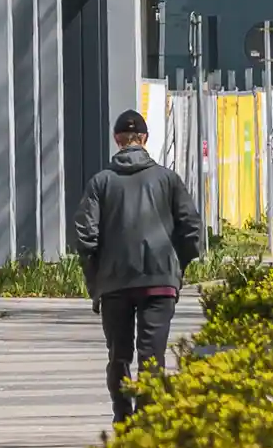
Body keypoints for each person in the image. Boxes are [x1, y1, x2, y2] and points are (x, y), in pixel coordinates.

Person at [72, 107, 205, 421]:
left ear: (117, 139)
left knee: (119, 355)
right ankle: (147, 420)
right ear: (145, 139)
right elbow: (192, 229)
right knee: (151, 355)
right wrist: (176, 266)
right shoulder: (168, 180)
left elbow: (85, 235)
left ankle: (122, 417)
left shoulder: (100, 183)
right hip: (159, 283)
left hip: (115, 285)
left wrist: (95, 278)